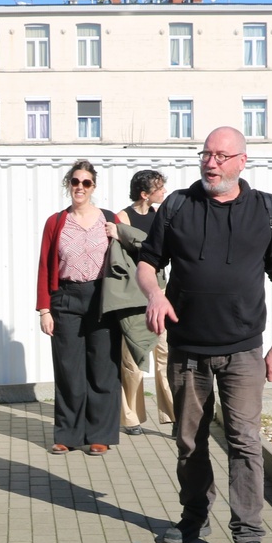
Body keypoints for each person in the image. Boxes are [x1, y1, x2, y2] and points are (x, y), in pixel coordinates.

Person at [136, 127, 272, 543]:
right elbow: (148, 263)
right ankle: (195, 516)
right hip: (188, 349)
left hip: (244, 350)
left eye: (222, 155)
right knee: (190, 441)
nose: (211, 162)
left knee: (245, 441)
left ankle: (247, 537)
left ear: (242, 161)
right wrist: (155, 293)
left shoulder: (265, 210)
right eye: (206, 154)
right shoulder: (179, 205)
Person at [37, 160, 121, 455]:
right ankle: (68, 434)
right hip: (67, 297)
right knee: (68, 369)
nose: (80, 187)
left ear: (93, 186)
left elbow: (133, 258)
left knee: (103, 369)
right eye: (75, 182)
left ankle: (100, 434)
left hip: (103, 299)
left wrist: (118, 235)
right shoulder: (56, 222)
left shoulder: (111, 220)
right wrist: (44, 310)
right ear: (68, 185)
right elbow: (45, 265)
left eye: (86, 183)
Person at [114, 169, 173, 435]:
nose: (164, 192)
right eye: (159, 188)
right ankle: (131, 418)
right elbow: (119, 259)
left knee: (165, 355)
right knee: (132, 357)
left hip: (160, 291)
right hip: (132, 296)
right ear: (144, 193)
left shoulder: (162, 216)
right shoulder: (122, 217)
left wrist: (127, 236)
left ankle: (174, 416)